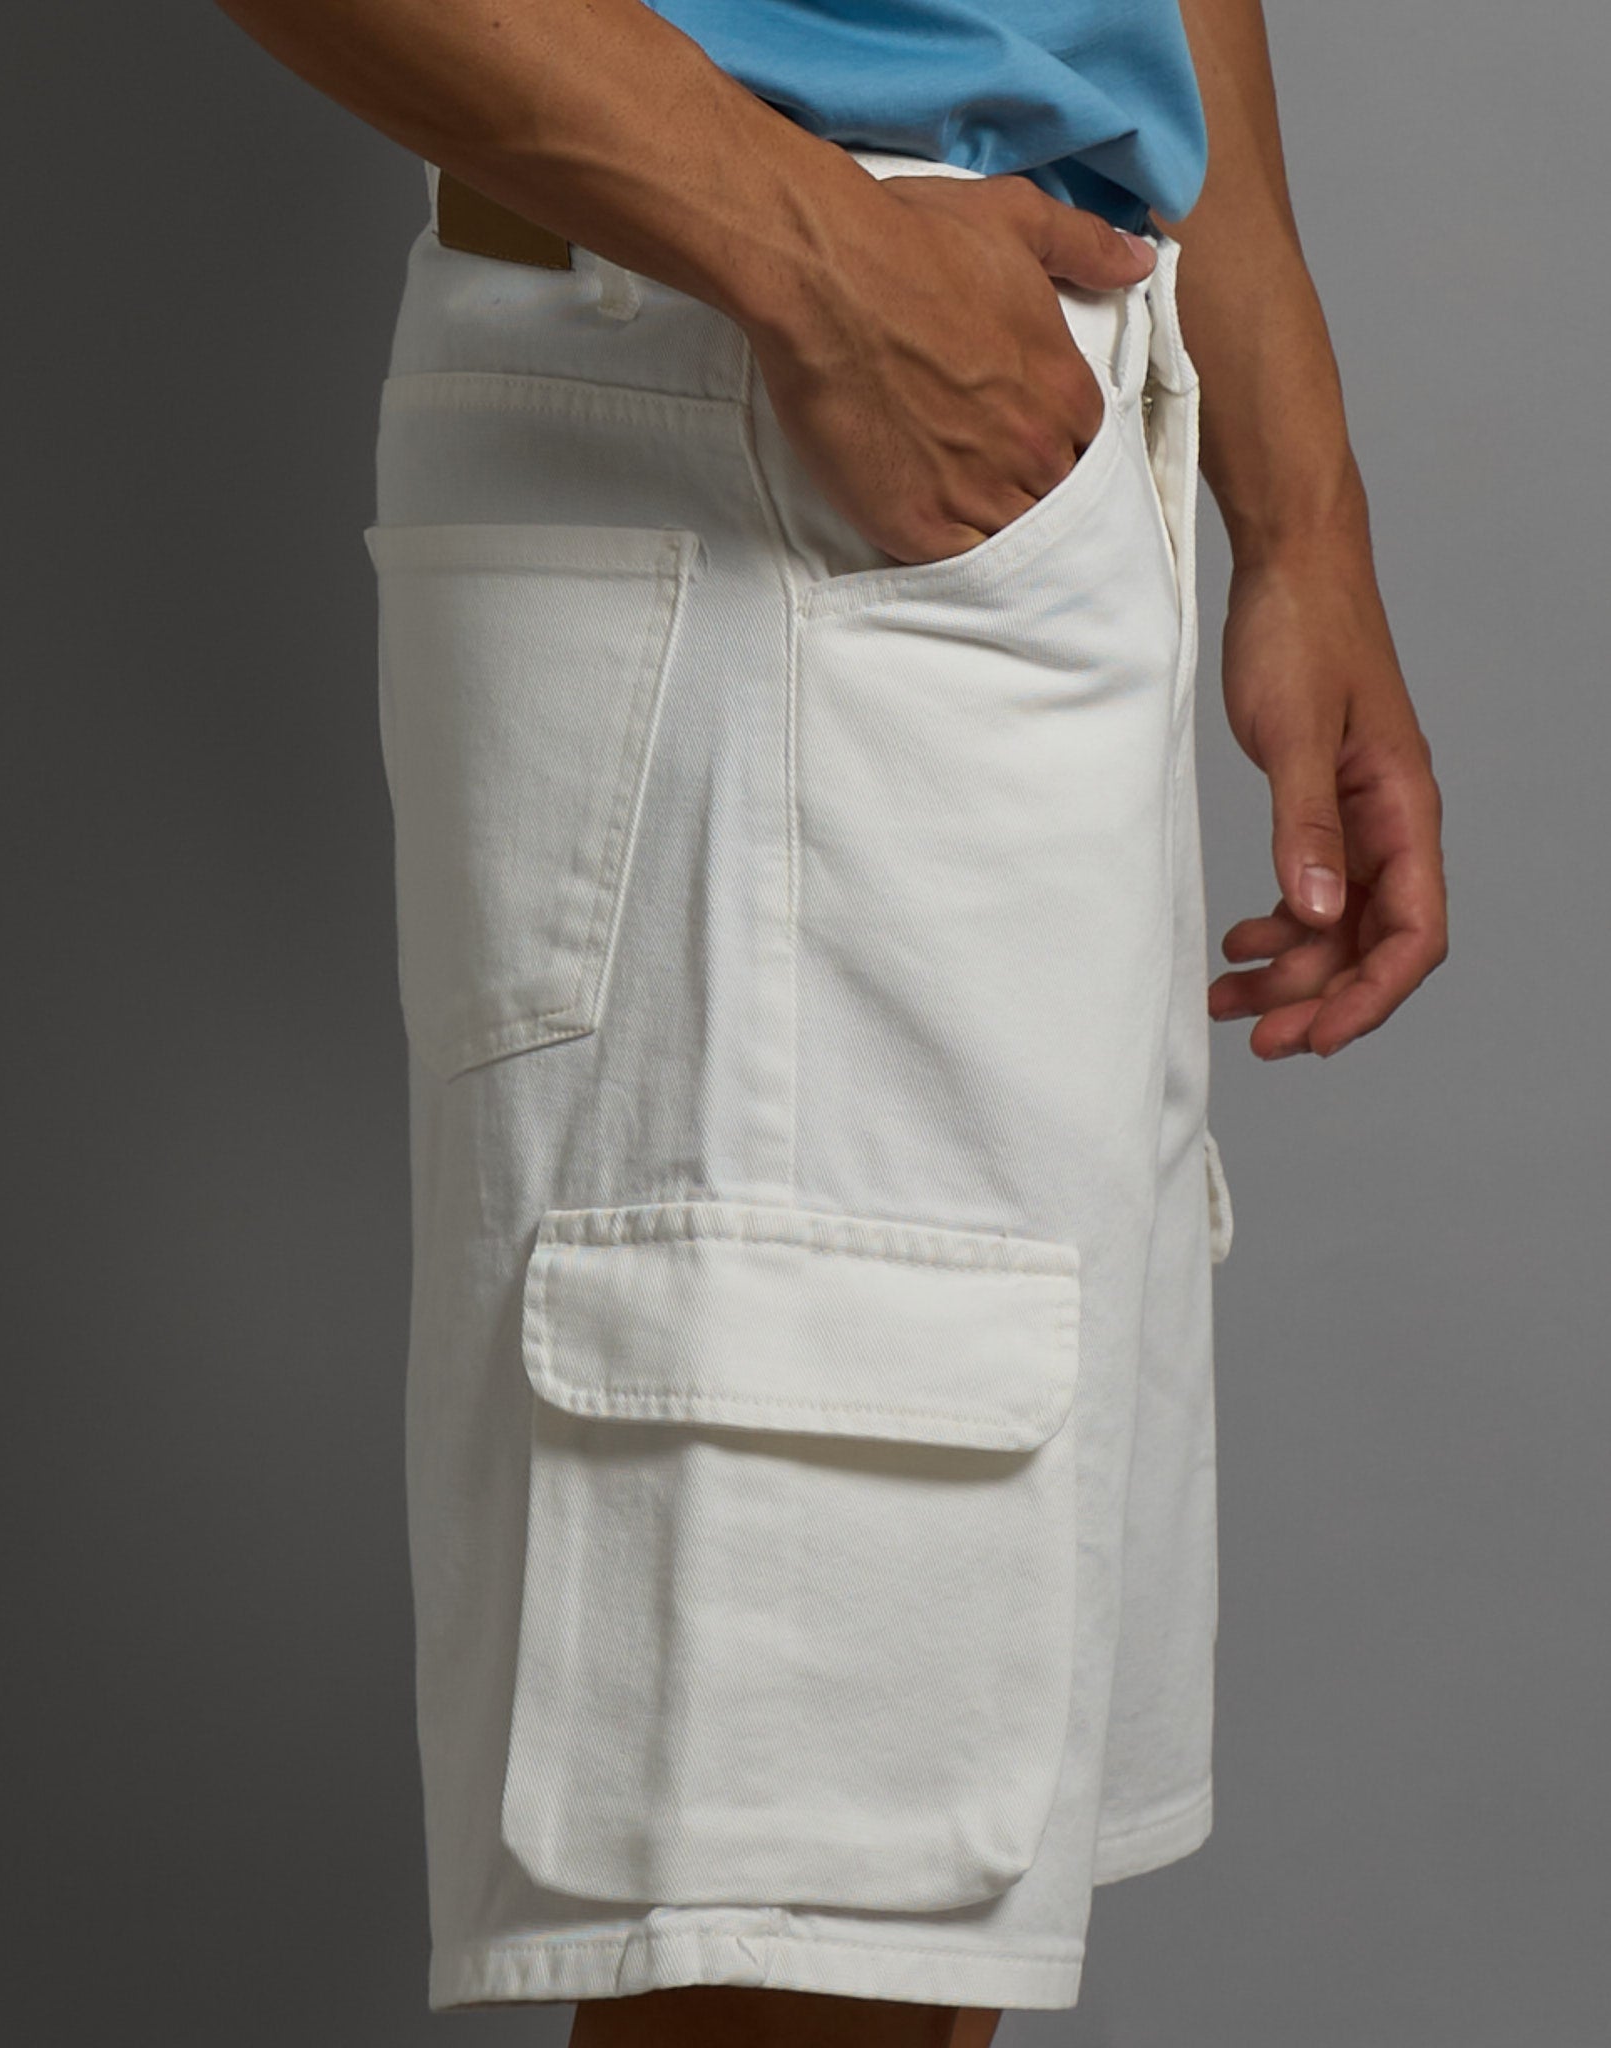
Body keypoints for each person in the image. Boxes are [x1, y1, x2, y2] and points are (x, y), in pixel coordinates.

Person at [213, 3, 1448, 2043]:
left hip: (1010, 420)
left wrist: (1303, 514)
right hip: (764, 418)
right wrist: (821, 265)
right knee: (808, 1937)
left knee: (923, 1923)